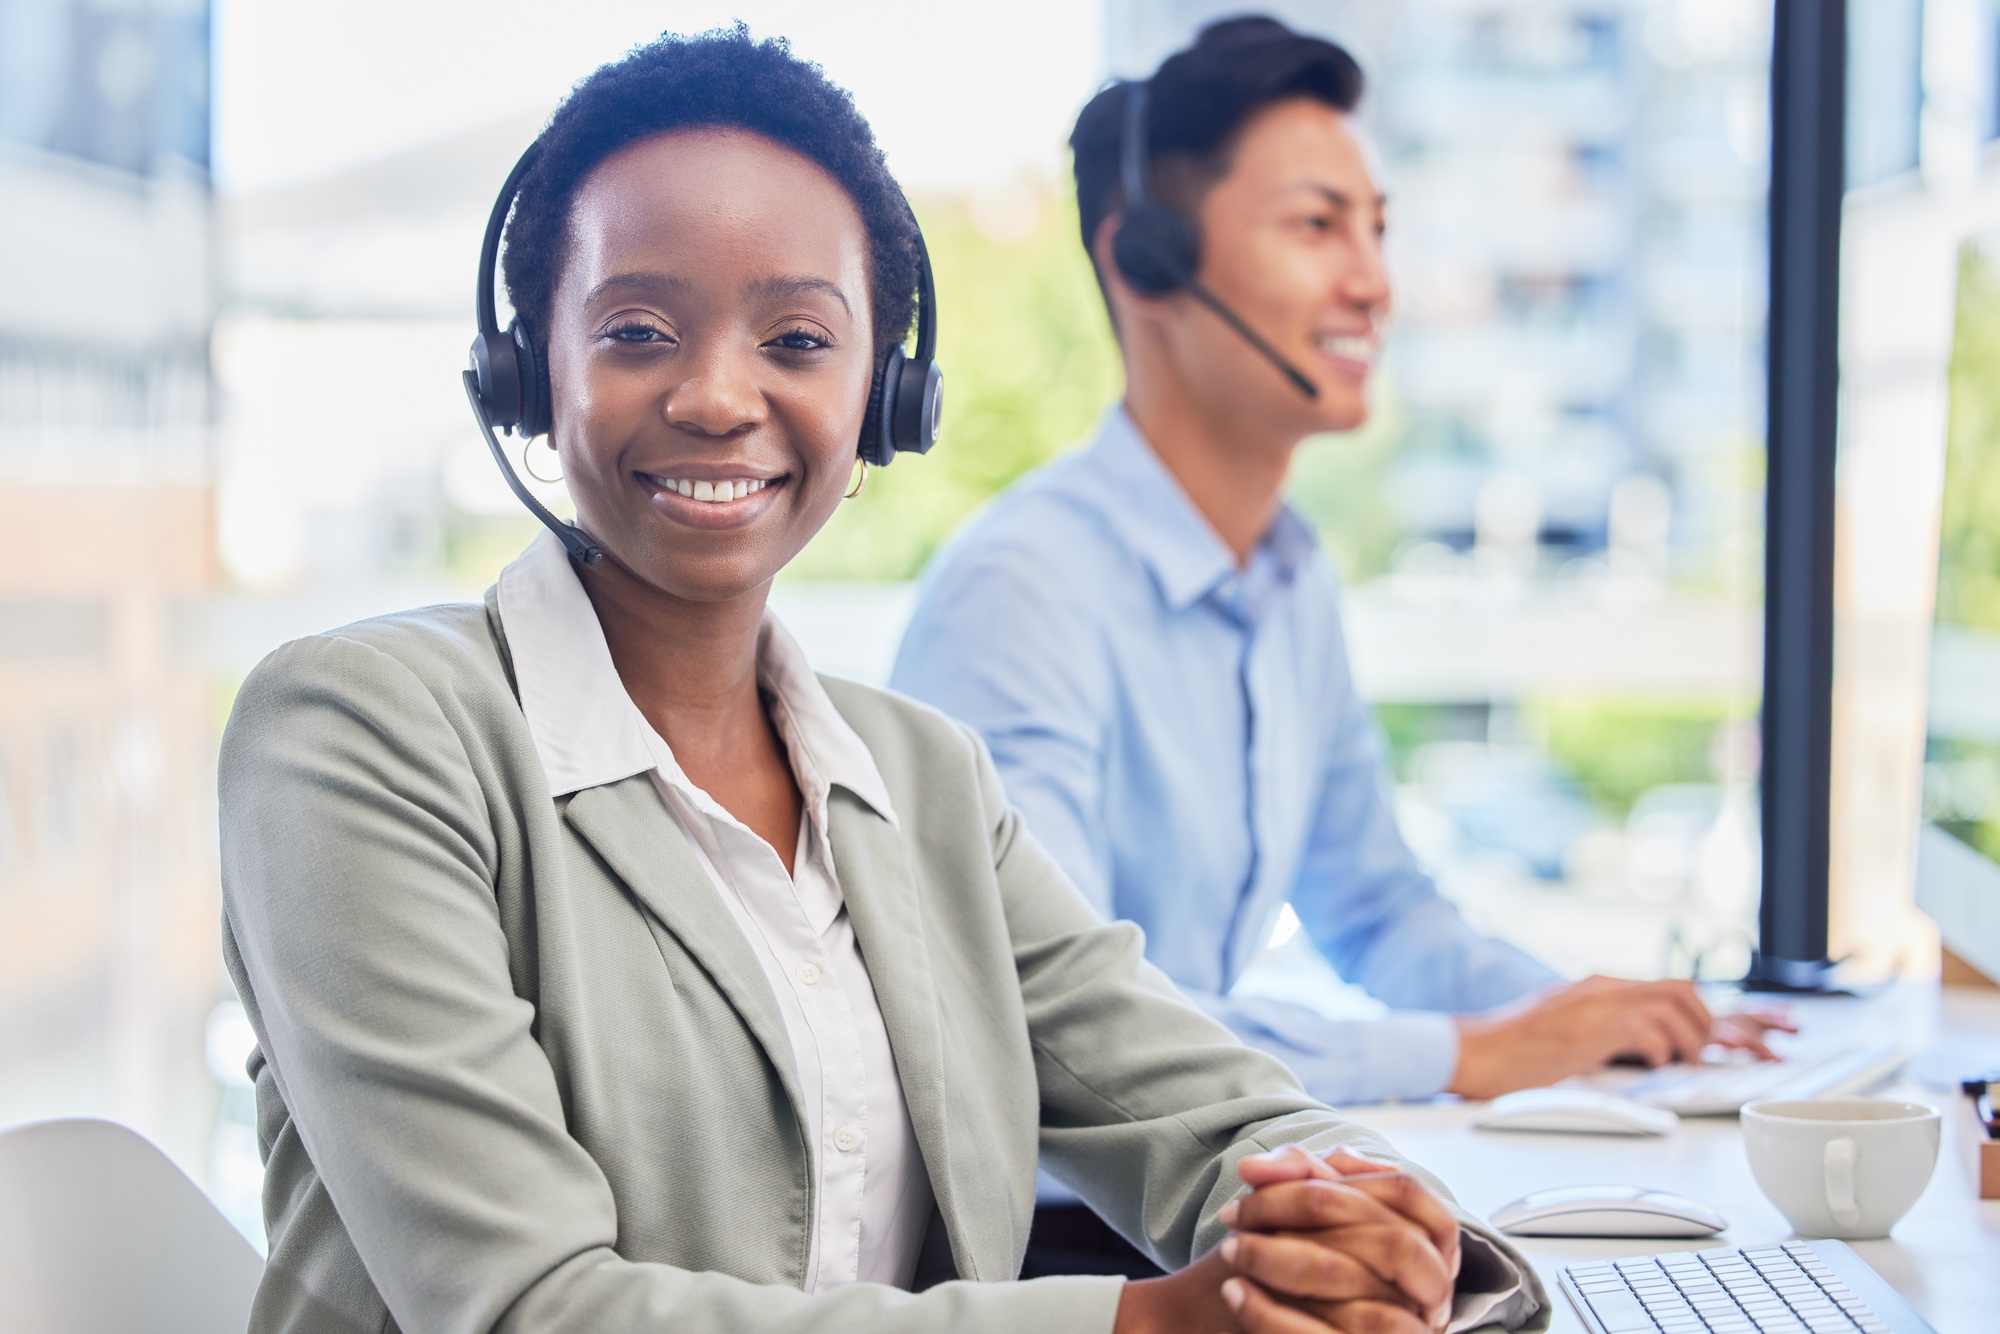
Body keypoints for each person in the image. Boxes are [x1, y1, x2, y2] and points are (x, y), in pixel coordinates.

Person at [217, 26, 1548, 1334]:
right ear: (525, 373)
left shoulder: (921, 783)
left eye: (797, 338)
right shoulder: (357, 734)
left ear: (886, 399)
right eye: (636, 329)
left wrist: (1357, 1223)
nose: (717, 394)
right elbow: (529, 1307)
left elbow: (1212, 1106)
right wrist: (1146, 1326)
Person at [892, 16, 1789, 1128]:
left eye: (1376, 228)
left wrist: (1589, 1016)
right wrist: (1474, 1050)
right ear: (1148, 262)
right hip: (1076, 1237)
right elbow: (1075, 1026)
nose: (1372, 282)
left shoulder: (1286, 578)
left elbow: (1376, 911)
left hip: (1214, 1183)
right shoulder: (1022, 595)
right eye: (1317, 226)